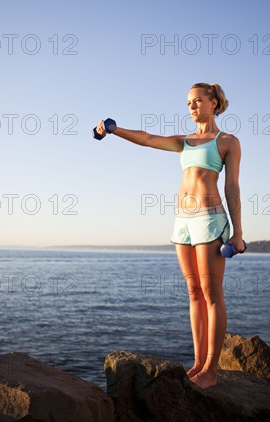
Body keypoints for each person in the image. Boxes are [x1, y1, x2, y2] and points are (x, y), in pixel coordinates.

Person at [94, 82, 245, 389]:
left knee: (212, 294)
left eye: (197, 101)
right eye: (188, 102)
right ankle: (198, 362)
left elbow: (232, 187)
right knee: (193, 292)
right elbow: (148, 139)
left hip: (209, 219)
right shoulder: (185, 141)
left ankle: (211, 371)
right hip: (183, 222)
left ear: (213, 102)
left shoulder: (227, 141)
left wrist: (238, 233)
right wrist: (114, 130)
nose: (191, 106)